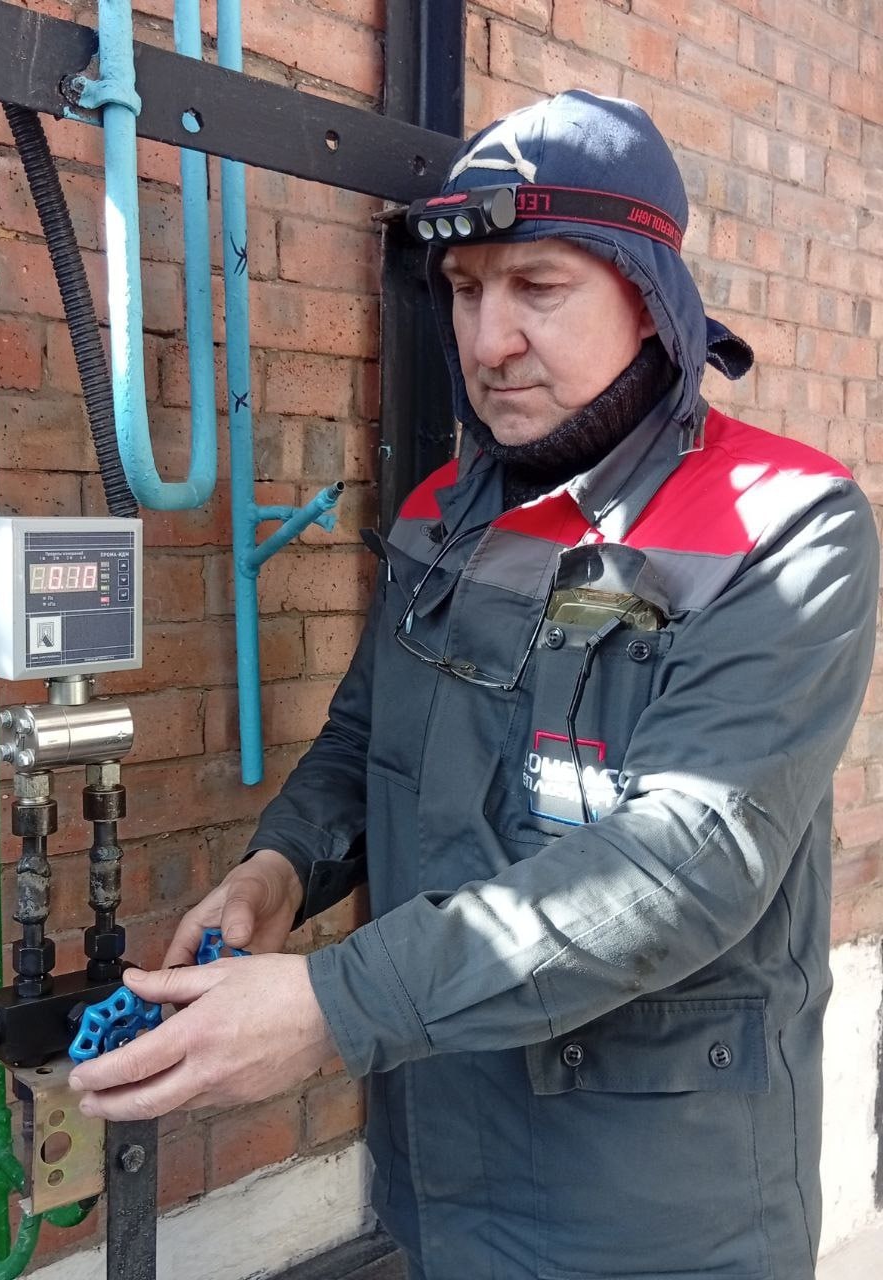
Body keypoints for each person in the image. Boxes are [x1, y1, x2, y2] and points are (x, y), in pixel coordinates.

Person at [68, 91, 879, 1280]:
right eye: (461, 290)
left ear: (648, 294)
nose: (486, 339)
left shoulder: (784, 524)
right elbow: (365, 738)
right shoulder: (438, 513)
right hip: (439, 1174)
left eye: (535, 286)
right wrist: (278, 867)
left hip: (652, 1214)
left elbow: (684, 865)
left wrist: (332, 1004)